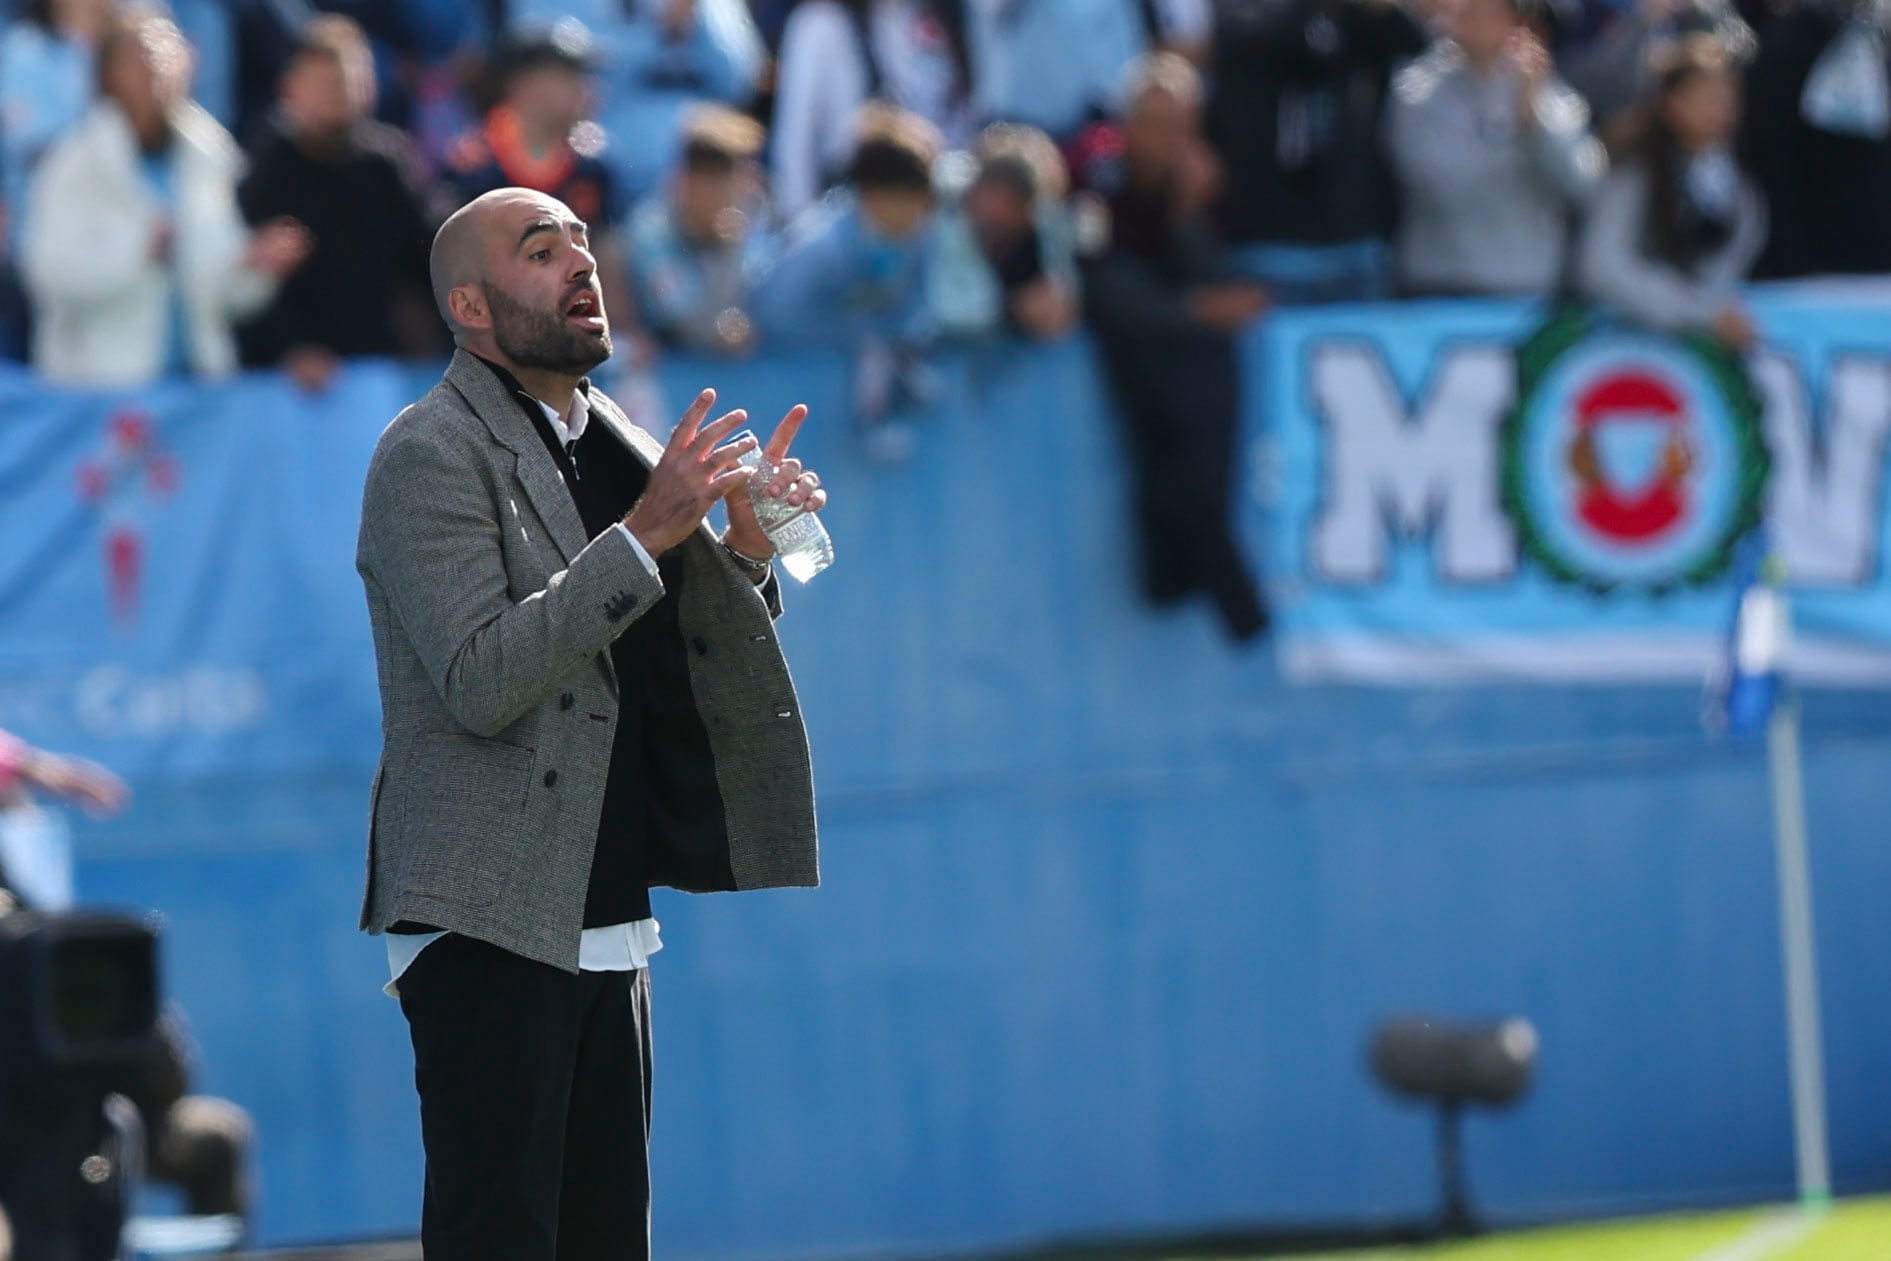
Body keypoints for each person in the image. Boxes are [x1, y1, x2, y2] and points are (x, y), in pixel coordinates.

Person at [356, 185, 825, 1259]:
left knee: (607, 1239)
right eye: (539, 249)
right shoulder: (426, 450)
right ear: (470, 309)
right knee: (502, 1238)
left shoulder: (605, 432)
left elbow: (640, 652)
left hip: (598, 906)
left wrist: (745, 550)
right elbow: (481, 677)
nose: (580, 264)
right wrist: (647, 532)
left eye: (581, 243)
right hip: (482, 913)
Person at [0, 727, 253, 1233]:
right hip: (28, 1134)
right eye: (12, 806)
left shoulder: (70, 946)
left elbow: (162, 1074)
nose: (29, 817)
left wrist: (38, 768)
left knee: (205, 1134)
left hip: (87, 1119)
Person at [1080, 53, 1270, 642]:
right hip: (1136, 352)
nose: (1168, 140)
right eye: (1156, 123)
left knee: (1198, 477)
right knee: (1164, 469)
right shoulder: (1097, 181)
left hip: (1192, 359)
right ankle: (1234, 611)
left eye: (1181, 126)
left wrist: (1189, 213)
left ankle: (1190, 593)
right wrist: (1193, 310)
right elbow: (1106, 289)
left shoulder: (1206, 184)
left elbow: (1217, 276)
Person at [20, 5, 311, 386]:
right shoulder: (72, 162)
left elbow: (223, 296)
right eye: (138, 59)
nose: (153, 70)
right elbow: (47, 273)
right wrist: (138, 251)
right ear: (108, 74)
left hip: (198, 390)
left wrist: (256, 267)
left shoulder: (212, 155)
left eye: (163, 55)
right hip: (102, 397)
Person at [237, 15, 447, 391]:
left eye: (348, 79)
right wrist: (291, 349)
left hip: (380, 367)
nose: (338, 91)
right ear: (290, 88)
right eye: (324, 82)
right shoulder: (265, 170)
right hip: (290, 384)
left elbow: (429, 252)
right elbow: (247, 283)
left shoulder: (388, 163)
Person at [1205, 0, 1431, 303]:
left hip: (1355, 248)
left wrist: (1376, 9)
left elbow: (1418, 46)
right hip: (1269, 250)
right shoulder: (1249, 18)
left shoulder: (1364, 22)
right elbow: (1265, 38)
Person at [1386, 0, 1604, 296]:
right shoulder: (1416, 89)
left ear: (1514, 20)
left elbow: (1583, 183)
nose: (1475, 21)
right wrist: (1515, 141)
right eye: (1467, 10)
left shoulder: (1546, 90)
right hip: (1439, 284)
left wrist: (1533, 121)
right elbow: (1440, 186)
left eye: (1490, 12)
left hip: (1526, 284)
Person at [445, 21, 634, 336]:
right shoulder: (472, 170)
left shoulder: (594, 167)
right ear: (526, 85)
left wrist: (626, 332)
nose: (588, 89)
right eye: (571, 76)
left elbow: (607, 260)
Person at [1578, 34, 1765, 348]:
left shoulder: (1736, 186)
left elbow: (1729, 263)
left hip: (1703, 347)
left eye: (1727, 98)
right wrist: (1696, 313)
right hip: (1626, 343)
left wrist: (1711, 312)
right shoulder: (1633, 173)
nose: (1720, 110)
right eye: (1707, 96)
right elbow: (1602, 265)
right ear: (1671, 102)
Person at [750, 104, 941, 349]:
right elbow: (772, 315)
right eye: (909, 198)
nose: (920, 210)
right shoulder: (820, 245)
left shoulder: (916, 238)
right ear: (873, 194)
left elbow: (912, 314)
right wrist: (851, 335)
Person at [769, 0, 975, 217]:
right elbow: (795, 144)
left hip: (931, 210)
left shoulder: (939, 18)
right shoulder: (820, 24)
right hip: (855, 209)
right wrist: (800, 223)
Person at [1742, 0, 1891, 277]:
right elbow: (1772, 160)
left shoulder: (1878, 36)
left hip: (1877, 259)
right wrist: (1792, 258)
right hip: (1812, 263)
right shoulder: (1785, 45)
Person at [625, 104, 771, 355]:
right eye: (715, 181)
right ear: (688, 181)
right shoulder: (650, 229)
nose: (740, 191)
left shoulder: (756, 210)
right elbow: (684, 321)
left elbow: (770, 310)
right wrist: (728, 247)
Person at [930, 122, 1082, 340]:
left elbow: (1061, 310)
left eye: (1016, 199)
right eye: (992, 189)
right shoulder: (939, 216)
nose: (998, 210)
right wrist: (1012, 308)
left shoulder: (1049, 230)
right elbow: (949, 311)